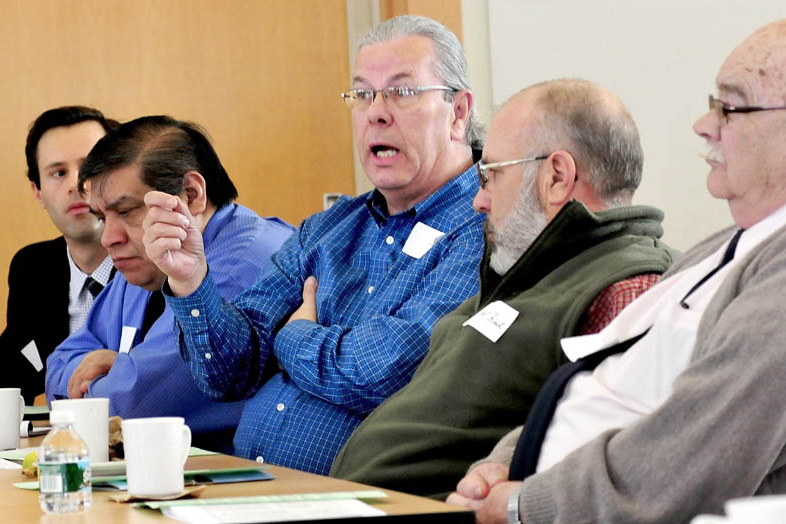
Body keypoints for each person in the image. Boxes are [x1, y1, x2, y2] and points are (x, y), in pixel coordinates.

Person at [448, 19, 786, 524]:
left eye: (730, 107)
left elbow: (688, 460)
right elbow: (608, 381)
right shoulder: (733, 242)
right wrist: (506, 464)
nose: (704, 123)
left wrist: (523, 503)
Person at [141, 15, 486, 473]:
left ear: (458, 112)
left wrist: (295, 338)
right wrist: (191, 282)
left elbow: (391, 370)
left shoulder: (483, 226)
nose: (376, 112)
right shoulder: (327, 229)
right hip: (254, 487)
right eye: (362, 94)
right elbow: (228, 374)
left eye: (401, 92)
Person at [330, 79, 677, 497]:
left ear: (557, 178)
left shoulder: (626, 288)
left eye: (489, 174)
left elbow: (608, 460)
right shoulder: (528, 268)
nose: (478, 199)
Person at [45, 116, 295, 451]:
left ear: (191, 195)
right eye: (103, 218)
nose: (108, 238)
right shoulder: (147, 260)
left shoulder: (244, 264)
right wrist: (116, 374)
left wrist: (113, 373)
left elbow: (133, 409)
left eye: (128, 211)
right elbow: (59, 363)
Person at [0, 106, 118, 402]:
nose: (76, 184)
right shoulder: (33, 268)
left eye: (90, 166)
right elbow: (15, 364)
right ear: (38, 191)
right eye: (58, 173)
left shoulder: (152, 264)